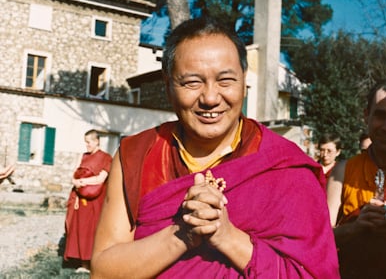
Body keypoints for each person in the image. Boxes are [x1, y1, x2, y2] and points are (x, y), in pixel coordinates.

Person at [91, 17, 339, 278]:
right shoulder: (138, 155)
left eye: (225, 81)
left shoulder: (286, 166)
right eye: (192, 82)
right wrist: (183, 234)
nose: (210, 98)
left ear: (244, 83)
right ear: (168, 88)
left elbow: (312, 274)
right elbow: (104, 272)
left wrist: (226, 236)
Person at [326, 78, 386, 279]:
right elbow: (321, 238)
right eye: (380, 115)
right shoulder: (343, 172)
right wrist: (356, 227)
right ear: (366, 116)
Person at [64, 129, 112, 273]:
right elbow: (74, 174)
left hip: (96, 200)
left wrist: (82, 181)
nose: (87, 145)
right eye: (85, 142)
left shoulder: (106, 157)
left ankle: (94, 263)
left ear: (96, 141)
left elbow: (100, 179)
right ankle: (83, 263)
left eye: (89, 142)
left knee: (93, 230)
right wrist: (75, 182)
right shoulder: (83, 156)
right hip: (81, 198)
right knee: (80, 229)